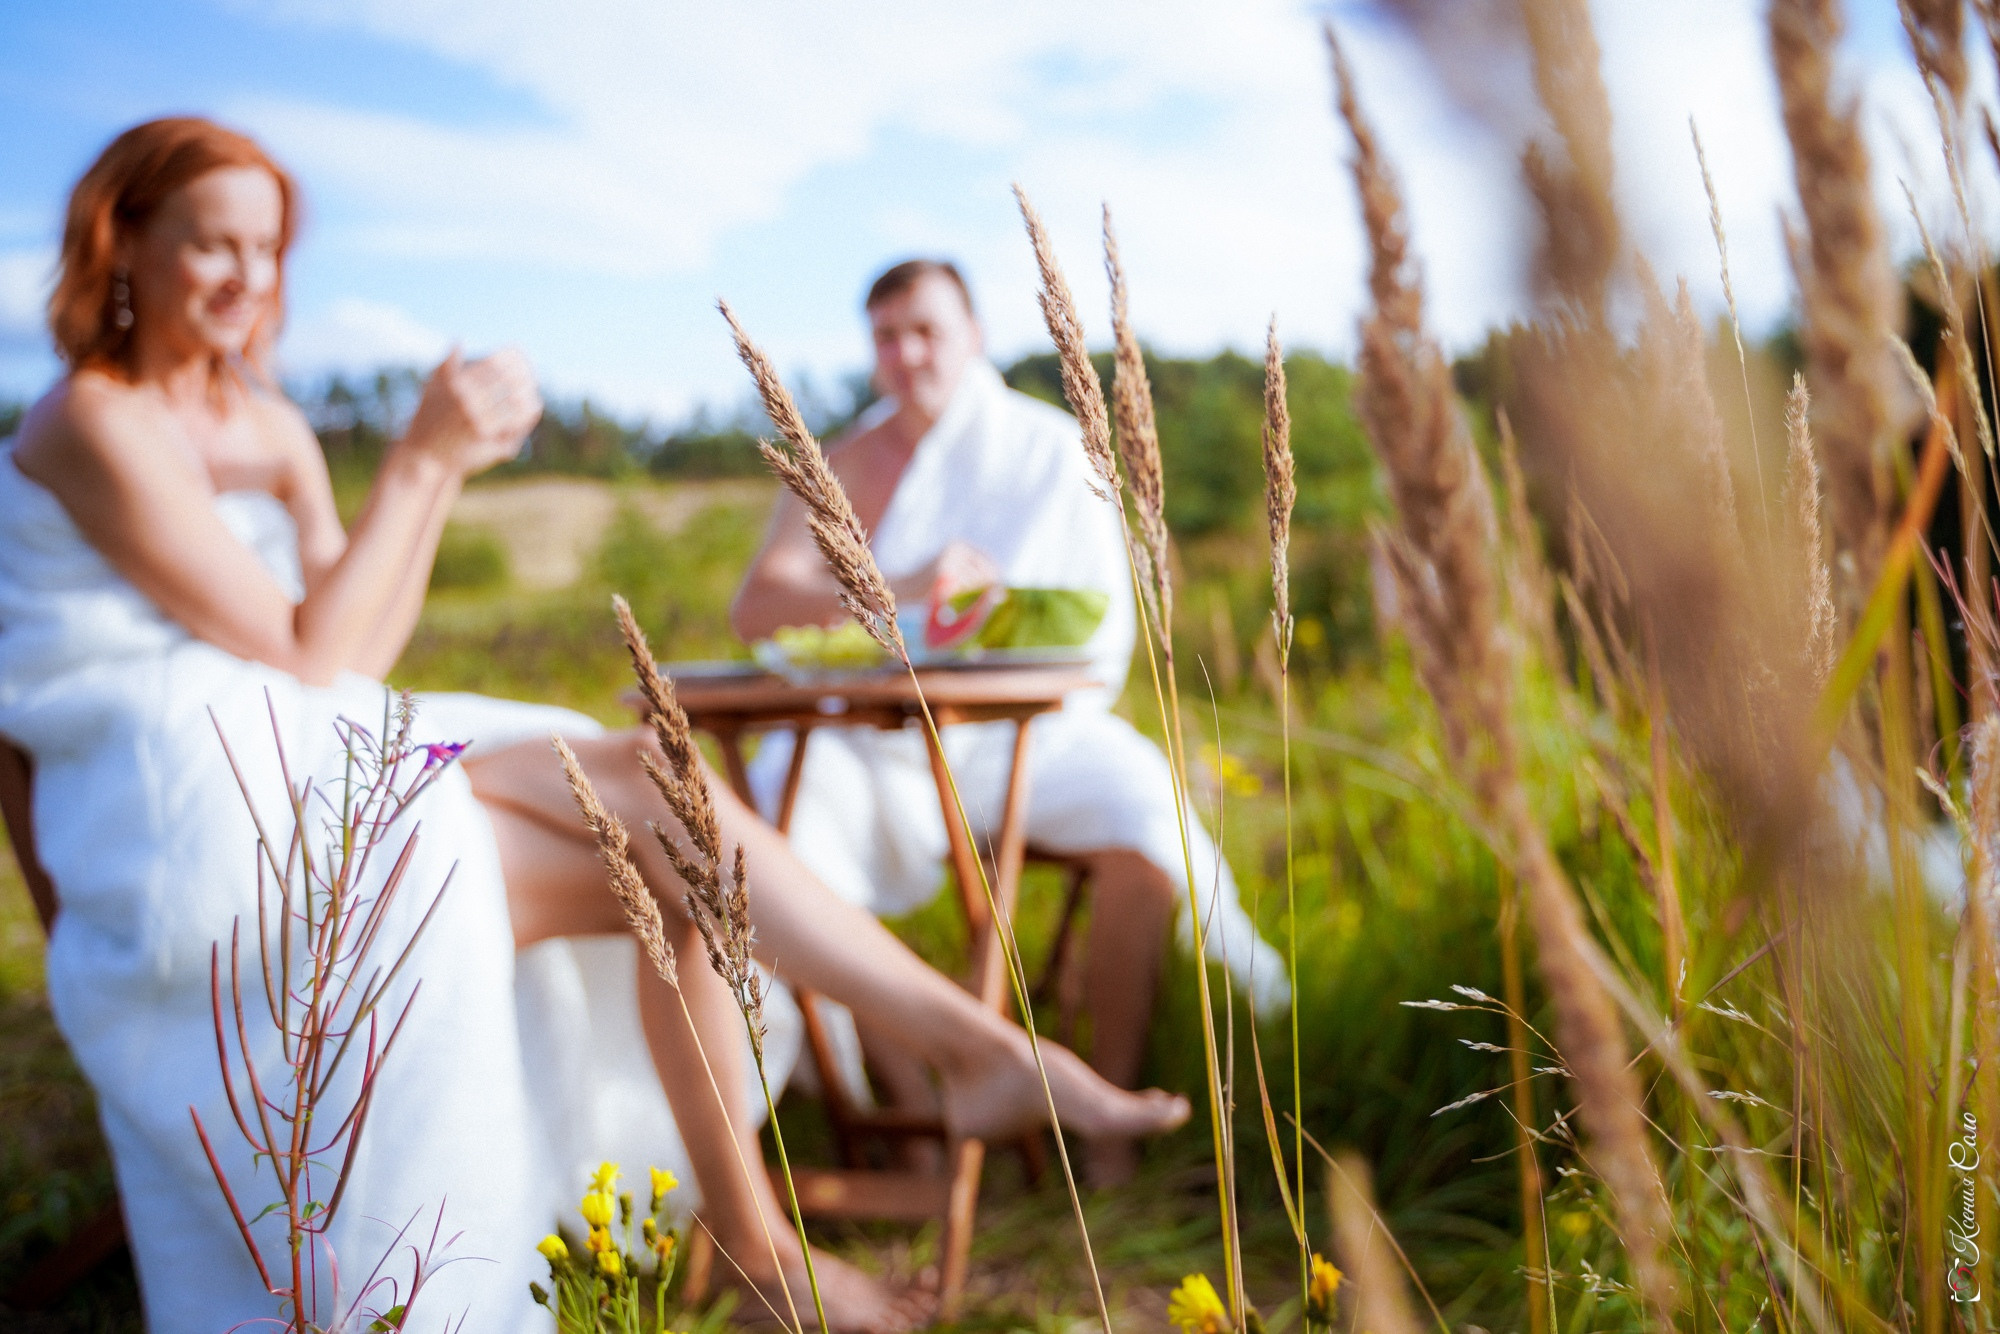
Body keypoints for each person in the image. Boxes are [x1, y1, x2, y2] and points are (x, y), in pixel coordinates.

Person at [0, 118, 1188, 1334]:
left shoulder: (269, 425)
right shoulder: (90, 421)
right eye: (213, 245)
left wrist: (434, 474)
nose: (248, 277)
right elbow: (312, 652)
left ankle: (901, 1106)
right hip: (184, 808)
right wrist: (421, 463)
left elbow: (357, 650)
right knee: (657, 861)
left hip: (312, 740)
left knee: (653, 785)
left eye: (265, 247)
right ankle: (920, 1099)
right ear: (124, 239)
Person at [731, 259, 1288, 1186]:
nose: (906, 354)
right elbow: (757, 608)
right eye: (886, 336)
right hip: (878, 744)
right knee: (789, 826)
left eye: (926, 331)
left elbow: (1096, 624)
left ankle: (1102, 1127)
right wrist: (901, 585)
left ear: (974, 336)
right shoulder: (845, 459)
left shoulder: (1044, 448)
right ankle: (912, 1120)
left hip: (1033, 730)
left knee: (1146, 819)